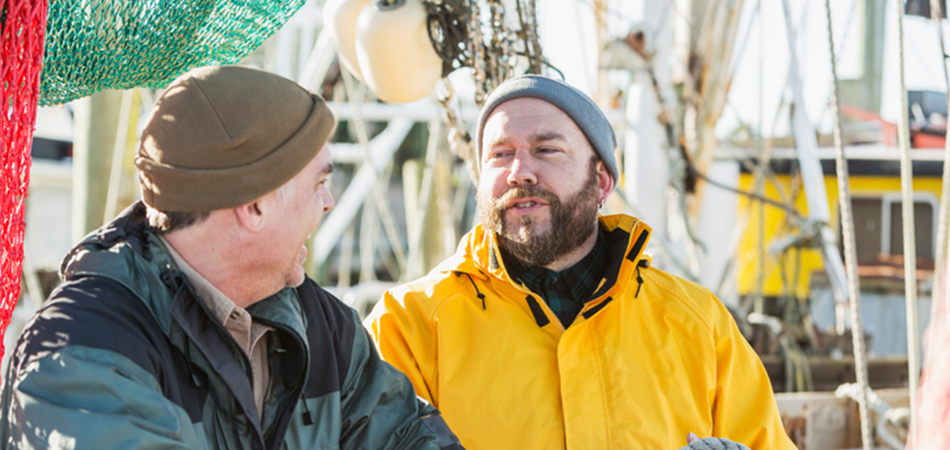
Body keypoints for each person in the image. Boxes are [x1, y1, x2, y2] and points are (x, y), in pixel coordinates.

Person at [0, 65, 461, 450]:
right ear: (254, 206)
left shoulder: (320, 325)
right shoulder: (79, 353)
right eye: (319, 183)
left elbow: (405, 436)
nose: (329, 203)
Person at [365, 75, 796, 449]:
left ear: (601, 180)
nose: (519, 171)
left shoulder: (698, 324)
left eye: (547, 150)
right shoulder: (409, 324)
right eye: (499, 154)